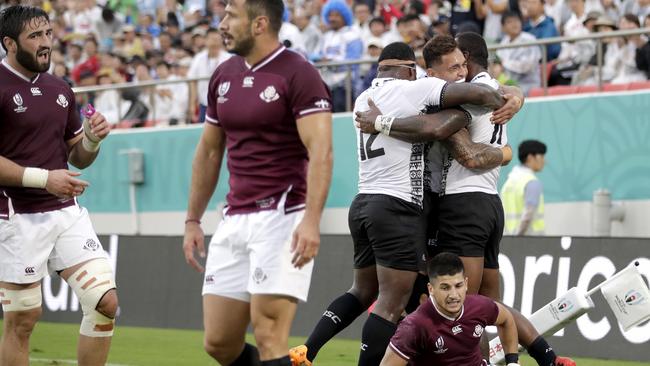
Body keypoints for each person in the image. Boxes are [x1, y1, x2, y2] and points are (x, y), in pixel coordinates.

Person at [356, 34, 575, 366]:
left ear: (467, 58)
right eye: (451, 65)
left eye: (459, 63)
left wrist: (382, 123)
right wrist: (515, 105)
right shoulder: (496, 89)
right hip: (489, 204)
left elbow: (467, 155)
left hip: (462, 204)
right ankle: (548, 358)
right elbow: (508, 96)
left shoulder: (468, 97)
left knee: (466, 305)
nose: (456, 72)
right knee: (490, 304)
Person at [291, 40, 514, 366]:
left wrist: (516, 91)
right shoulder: (414, 90)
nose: (458, 73)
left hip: (364, 203)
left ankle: (307, 350)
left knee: (361, 291)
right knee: (392, 303)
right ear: (412, 70)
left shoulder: (363, 98)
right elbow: (450, 118)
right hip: (398, 207)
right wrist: (507, 104)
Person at [181, 1, 333, 365]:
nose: (222, 24)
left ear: (260, 23)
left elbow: (321, 152)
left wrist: (311, 220)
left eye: (232, 16)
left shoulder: (299, 74)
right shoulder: (222, 75)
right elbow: (209, 152)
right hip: (235, 217)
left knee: (268, 334)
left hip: (283, 216)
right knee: (218, 342)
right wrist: (192, 219)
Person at [0, 5, 117, 366]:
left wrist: (93, 142)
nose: (46, 42)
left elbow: (76, 156)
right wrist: (44, 179)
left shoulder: (61, 89)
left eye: (48, 33)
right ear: (9, 43)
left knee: (105, 303)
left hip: (65, 213)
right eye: (35, 36)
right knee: (22, 322)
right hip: (16, 216)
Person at [380, 252, 521, 366]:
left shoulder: (479, 306)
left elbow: (506, 320)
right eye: (445, 287)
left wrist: (513, 361)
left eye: (458, 286)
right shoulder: (415, 326)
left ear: (466, 284)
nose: (454, 295)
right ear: (431, 289)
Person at [501, 139, 547, 236]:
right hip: (529, 241)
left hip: (507, 239)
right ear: (530, 157)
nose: (544, 161)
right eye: (542, 156)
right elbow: (528, 215)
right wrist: (518, 238)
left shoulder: (508, 183)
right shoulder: (531, 182)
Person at [187, 27, 230, 123]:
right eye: (212, 39)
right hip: (204, 104)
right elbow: (192, 81)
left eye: (217, 39)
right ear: (205, 41)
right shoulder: (198, 58)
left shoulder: (228, 59)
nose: (214, 42)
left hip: (224, 104)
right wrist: (192, 104)